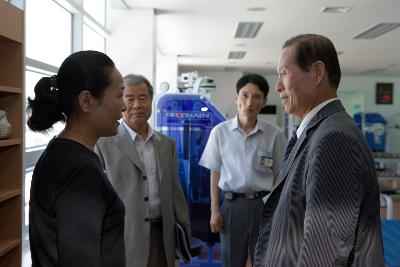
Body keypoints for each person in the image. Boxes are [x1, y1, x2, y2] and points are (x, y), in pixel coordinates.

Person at [254, 34, 385, 266]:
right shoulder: (316, 131)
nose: (278, 85)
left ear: (317, 73)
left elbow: (325, 251)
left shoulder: (335, 138)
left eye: (284, 73)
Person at [27, 51, 126, 267]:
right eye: (119, 95)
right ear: (87, 101)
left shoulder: (60, 153)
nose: (125, 106)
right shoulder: (80, 172)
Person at [95, 74, 191, 267]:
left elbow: (175, 192)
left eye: (142, 98)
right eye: (129, 98)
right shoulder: (103, 144)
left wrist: (184, 233)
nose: (136, 105)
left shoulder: (166, 145)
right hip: (123, 237)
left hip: (161, 235)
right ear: (121, 102)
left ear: (151, 101)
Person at [199, 73, 287, 267]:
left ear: (264, 101)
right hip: (232, 206)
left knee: (265, 260)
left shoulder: (274, 134)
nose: (250, 102)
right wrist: (214, 210)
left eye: (257, 97)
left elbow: (280, 175)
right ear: (236, 97)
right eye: (245, 95)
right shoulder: (220, 132)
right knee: (231, 260)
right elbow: (215, 172)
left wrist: (279, 210)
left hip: (264, 205)